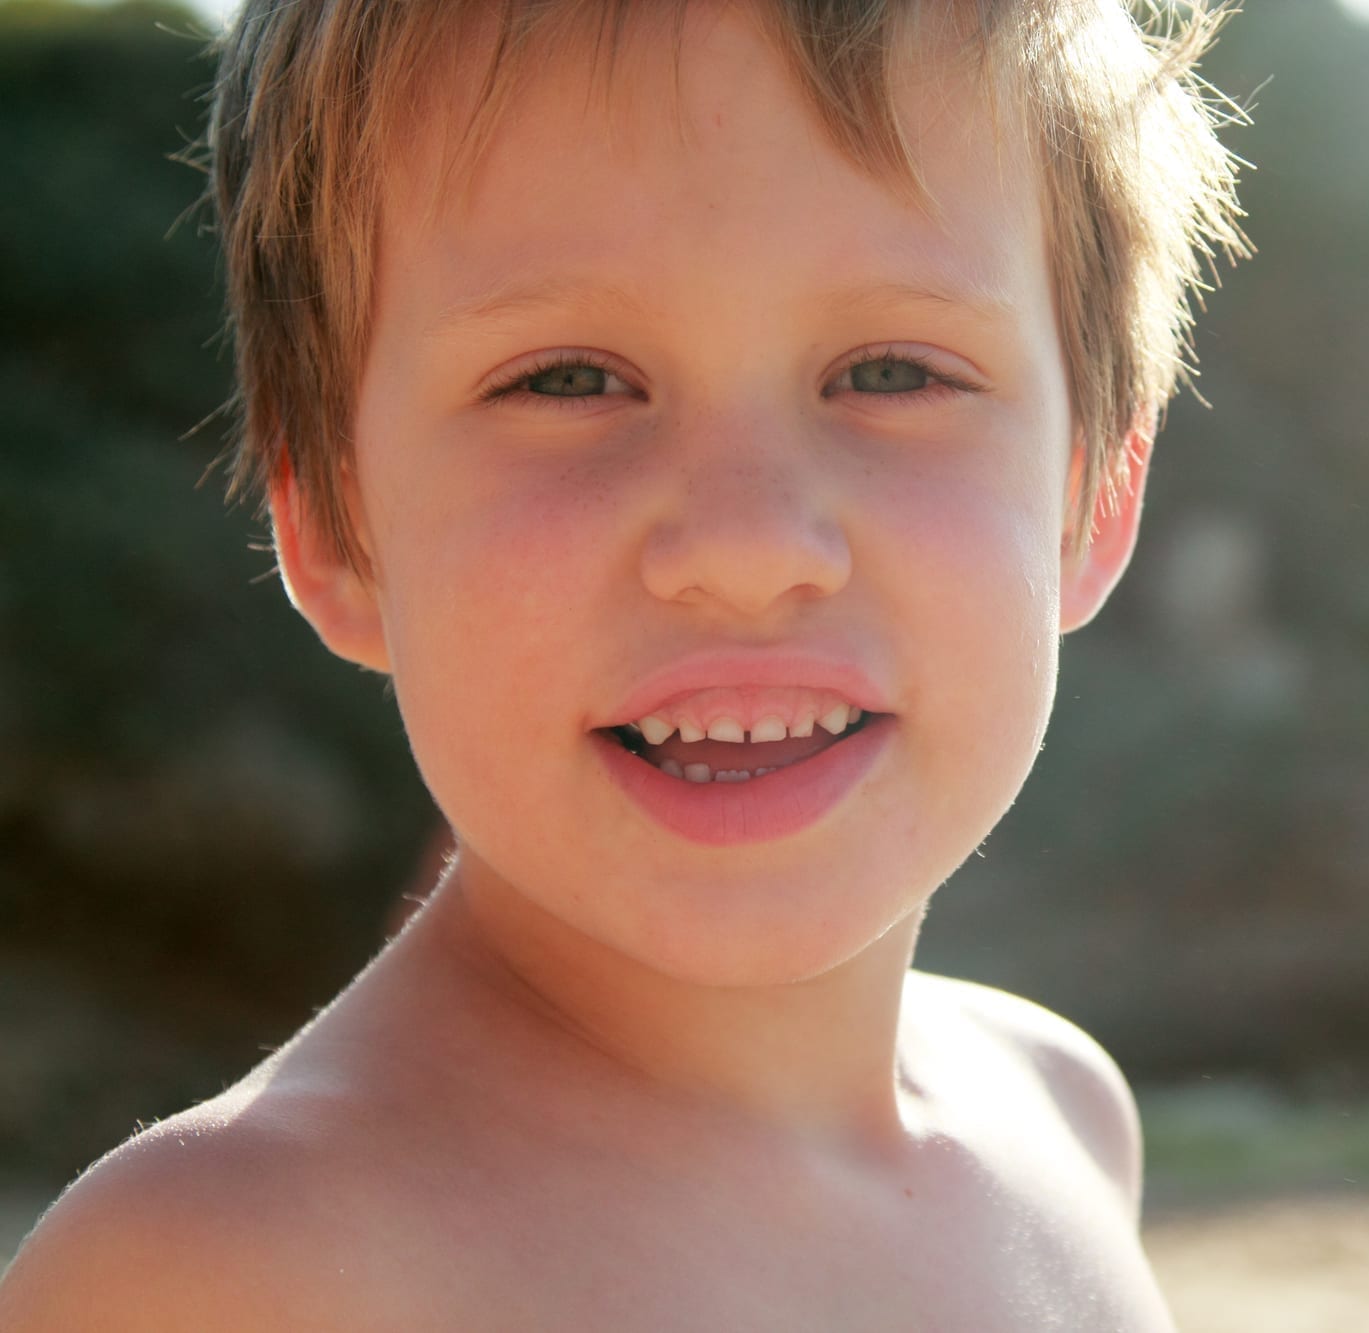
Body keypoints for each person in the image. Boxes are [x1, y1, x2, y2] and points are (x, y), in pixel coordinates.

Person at [0, 0, 1245, 1325]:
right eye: (567, 380)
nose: (748, 544)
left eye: (890, 369)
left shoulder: (1062, 1116)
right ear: (335, 530)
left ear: (1092, 496)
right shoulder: (230, 1273)